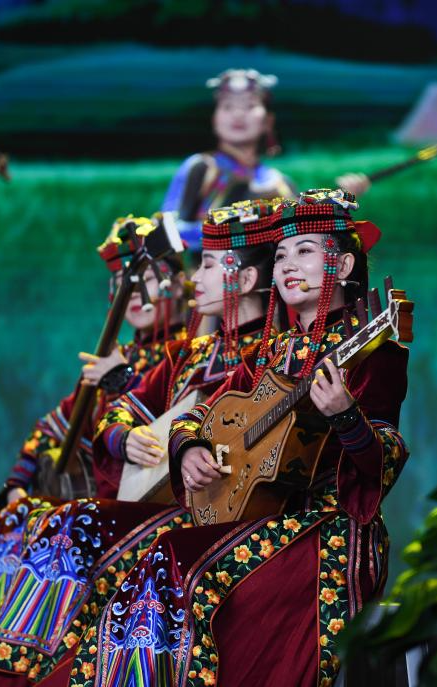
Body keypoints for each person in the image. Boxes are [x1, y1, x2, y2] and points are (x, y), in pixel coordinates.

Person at [70, 189, 410, 687]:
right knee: (157, 561)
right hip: (263, 518)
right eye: (281, 255)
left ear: (341, 265)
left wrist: (346, 417)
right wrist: (189, 447)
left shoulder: (374, 352)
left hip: (328, 532)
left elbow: (386, 459)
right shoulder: (271, 352)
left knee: (173, 560)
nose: (288, 265)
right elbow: (199, 413)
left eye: (305, 251)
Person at [0, 199, 281, 686]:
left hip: (221, 509)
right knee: (21, 530)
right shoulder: (193, 352)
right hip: (167, 500)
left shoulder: (271, 353)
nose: (194, 279)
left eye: (205, 265)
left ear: (244, 279)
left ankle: (0, 678)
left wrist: (146, 411)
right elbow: (107, 415)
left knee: (75, 524)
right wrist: (124, 436)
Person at [0, 216, 189, 510]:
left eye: (146, 280)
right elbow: (55, 426)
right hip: (98, 502)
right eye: (123, 284)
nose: (133, 294)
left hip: (159, 502)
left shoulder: (190, 350)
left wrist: (123, 378)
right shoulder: (115, 356)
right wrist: (16, 485)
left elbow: (177, 419)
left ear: (176, 285)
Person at [162, 69, 295, 256]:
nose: (238, 114)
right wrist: (234, 227)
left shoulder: (279, 183)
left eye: (250, 106)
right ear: (214, 119)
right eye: (227, 107)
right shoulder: (202, 168)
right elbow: (168, 231)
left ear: (268, 121)